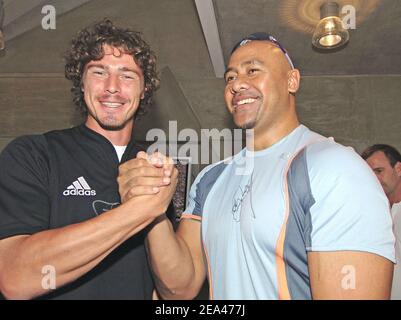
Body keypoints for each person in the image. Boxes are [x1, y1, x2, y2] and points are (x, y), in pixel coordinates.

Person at [118, 32, 395, 299]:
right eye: (230, 76)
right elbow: (179, 289)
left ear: (292, 81)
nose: (236, 84)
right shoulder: (210, 179)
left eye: (252, 71)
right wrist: (152, 211)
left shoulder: (334, 166)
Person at [0, 19, 178, 299]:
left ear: (144, 91)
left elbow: (176, 291)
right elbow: (14, 277)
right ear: (81, 83)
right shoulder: (34, 154)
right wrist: (140, 210)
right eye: (99, 72)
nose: (112, 87)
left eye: (128, 75)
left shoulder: (157, 168)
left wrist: (157, 216)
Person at [362, 144, 401, 299]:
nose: (374, 178)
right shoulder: (382, 212)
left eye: (379, 171)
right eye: (369, 173)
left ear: (398, 169)